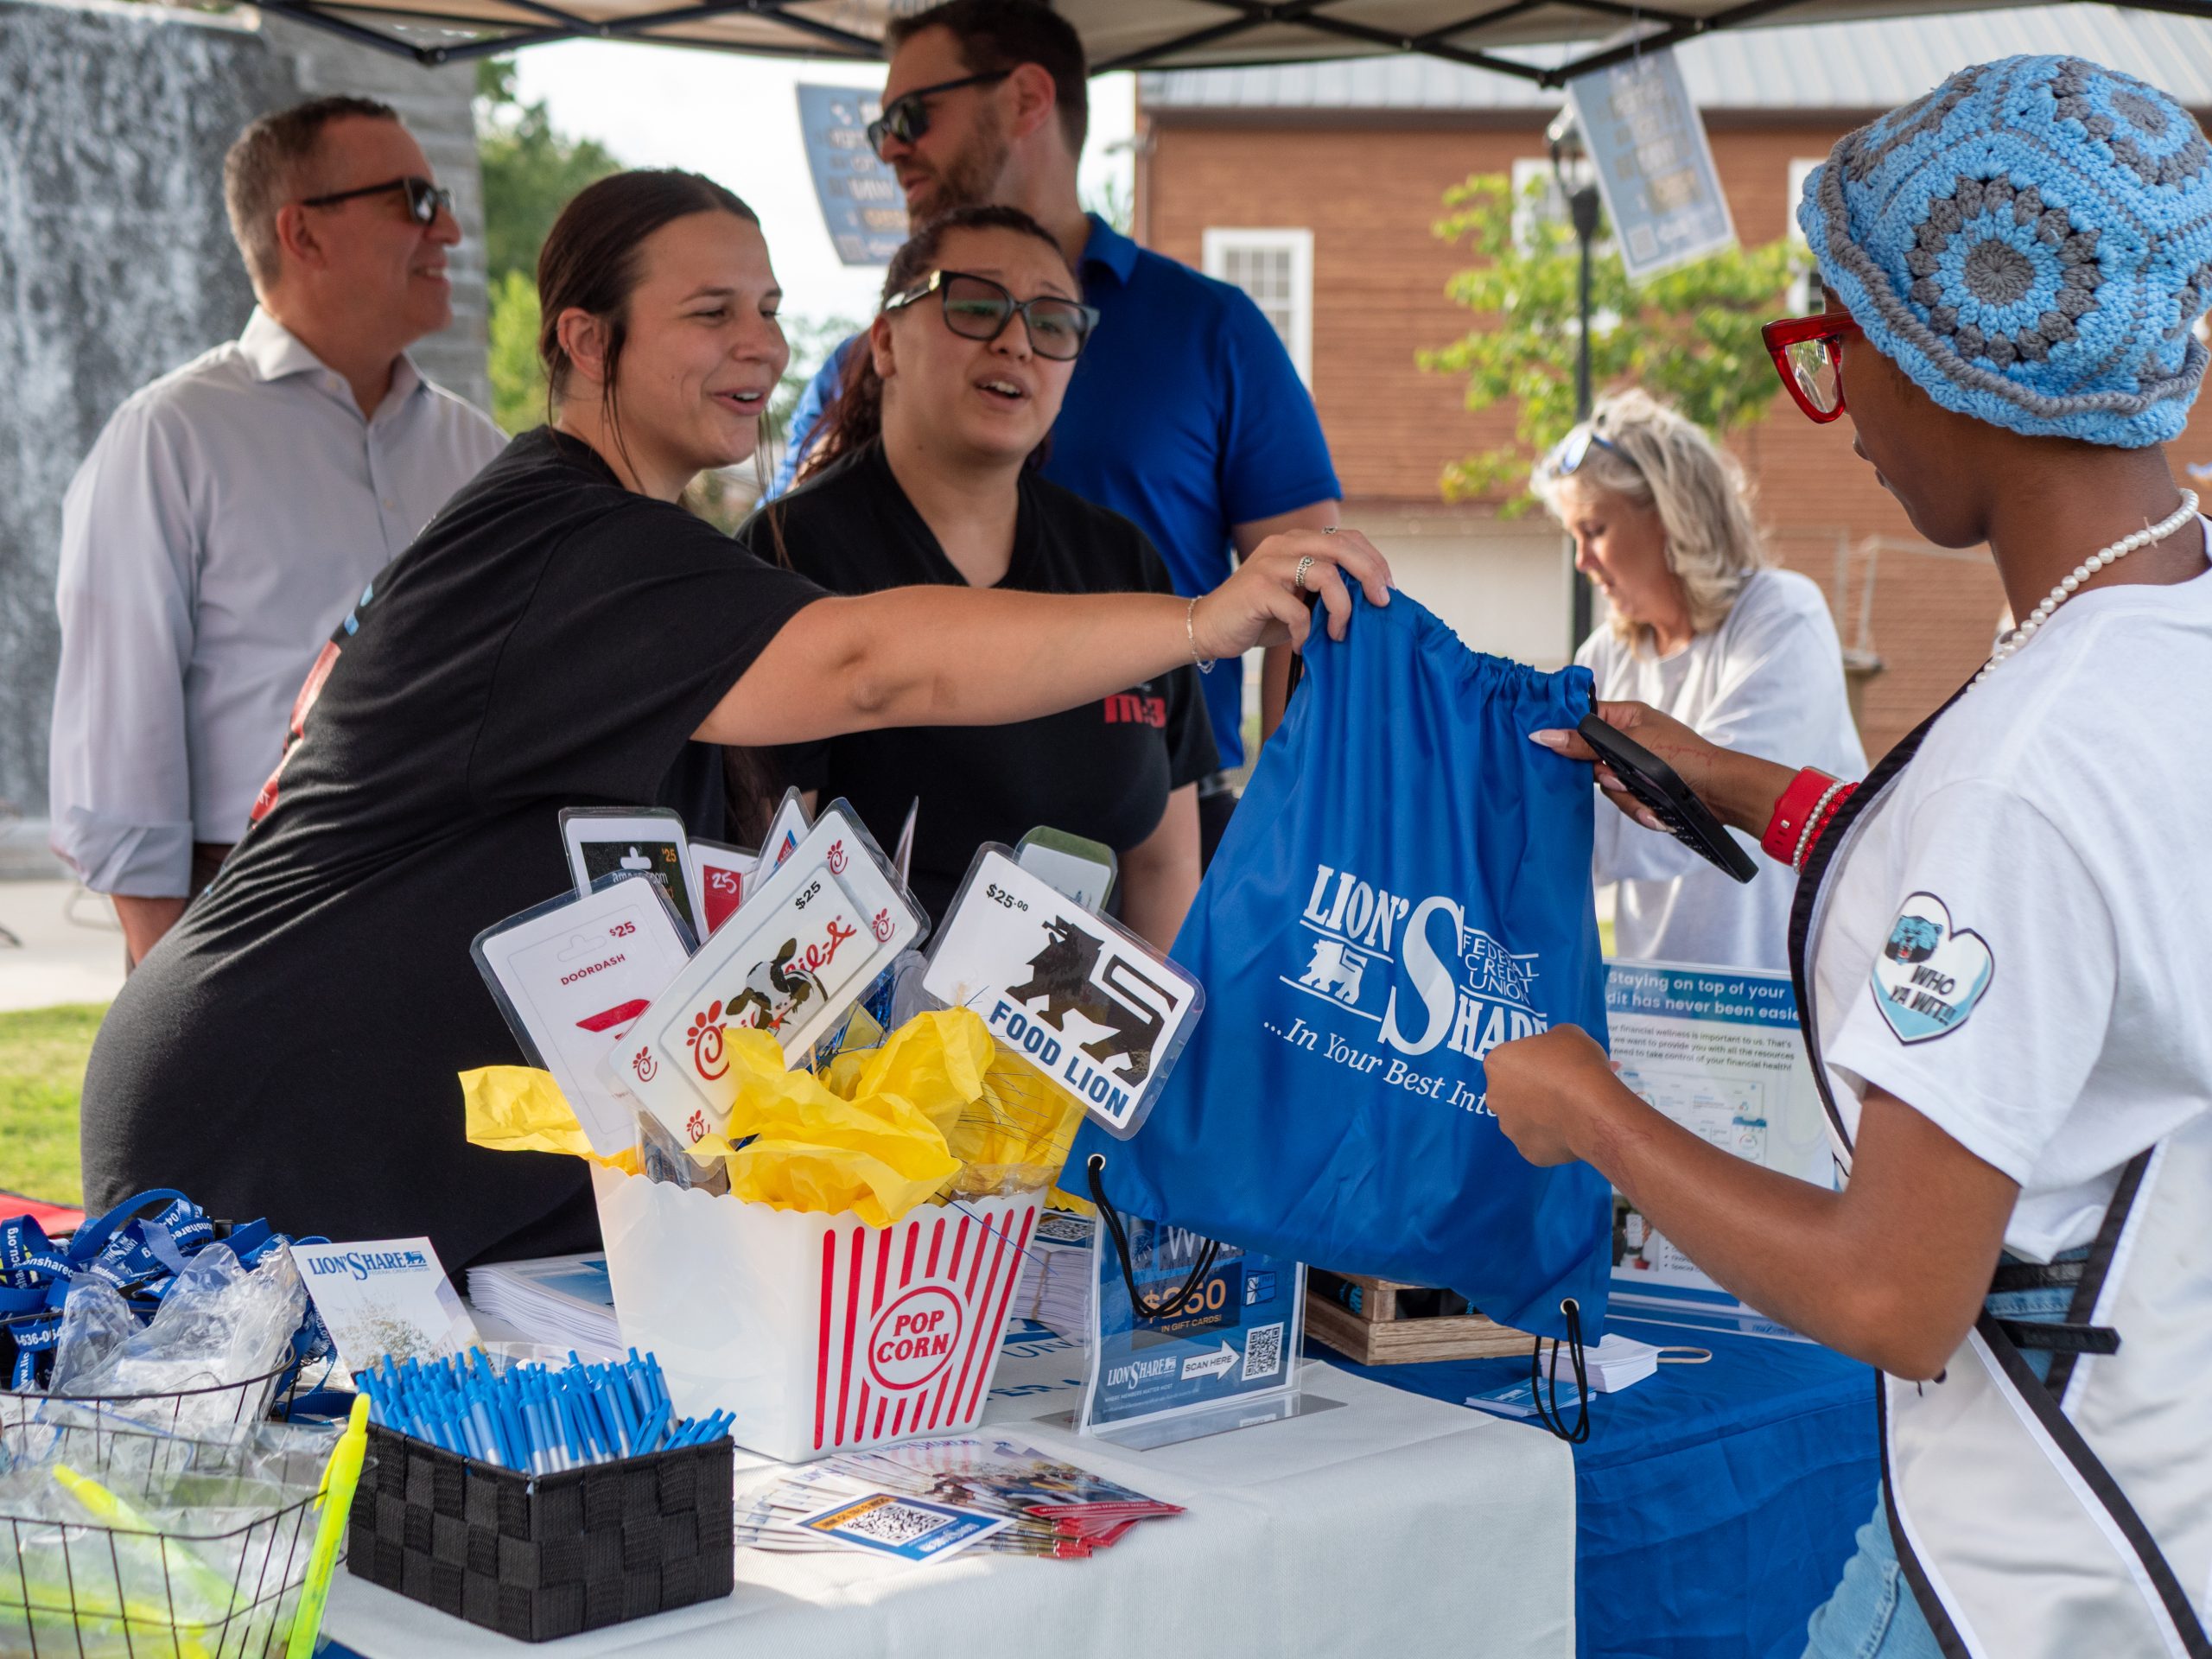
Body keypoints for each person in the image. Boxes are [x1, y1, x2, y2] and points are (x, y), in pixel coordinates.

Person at [79, 170, 1389, 1273]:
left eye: (766, 310)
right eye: (710, 313)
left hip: (428, 1161)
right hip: (264, 1131)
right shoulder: (566, 535)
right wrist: (1202, 622)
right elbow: (870, 664)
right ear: (587, 339)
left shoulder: (648, 547)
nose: (760, 345)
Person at [1487, 57, 2212, 1659]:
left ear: (1955, 359)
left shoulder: (2027, 773)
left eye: (1834, 342)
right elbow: (2077, 943)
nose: (1841, 415)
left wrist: (1592, 1113)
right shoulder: (2168, 629)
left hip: (2019, 1566)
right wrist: (1750, 788)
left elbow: (1892, 1293)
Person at [772, 0, 1341, 860]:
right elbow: (788, 598)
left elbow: (1311, 589)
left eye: (910, 116)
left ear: (1026, 98)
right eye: (973, 309)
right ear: (892, 340)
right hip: (897, 830)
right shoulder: (860, 363)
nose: (888, 148)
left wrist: (1286, 828)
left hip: (1151, 814)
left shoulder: (1210, 330)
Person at [48, 95, 505, 965]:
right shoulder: (169, 435)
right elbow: (118, 736)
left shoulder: (480, 451)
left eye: (442, 200)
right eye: (415, 201)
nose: (448, 230)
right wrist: (170, 974)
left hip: (463, 906)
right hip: (251, 910)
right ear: (302, 233)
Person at [748, 206, 1213, 946]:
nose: (1016, 341)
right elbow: (765, 876)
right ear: (885, 343)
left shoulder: (1123, 562)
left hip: (1085, 1021)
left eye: (1052, 322)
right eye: (973, 306)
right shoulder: (787, 553)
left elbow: (1164, 865)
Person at [1532, 389, 1865, 969]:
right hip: (1654, 999)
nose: (1582, 560)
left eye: (1595, 529)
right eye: (1574, 537)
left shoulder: (1782, 616)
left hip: (1779, 995)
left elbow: (1703, 809)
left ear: (1670, 516)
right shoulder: (1605, 653)